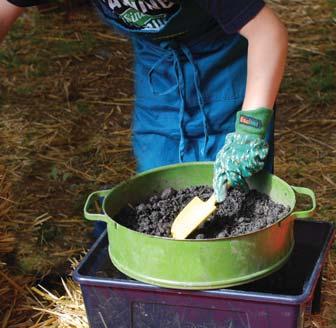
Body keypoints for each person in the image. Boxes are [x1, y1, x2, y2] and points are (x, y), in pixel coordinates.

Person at [1, 0, 287, 203]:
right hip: (159, 65)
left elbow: (267, 33)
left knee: (240, 190)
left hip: (223, 58)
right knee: (157, 178)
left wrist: (248, 132)